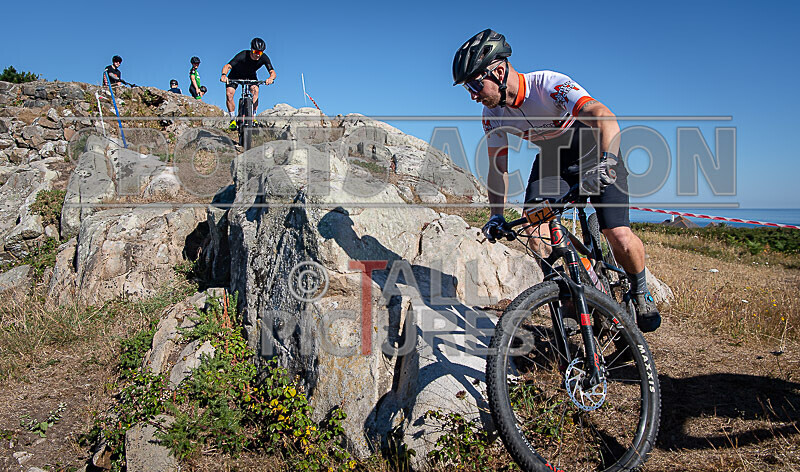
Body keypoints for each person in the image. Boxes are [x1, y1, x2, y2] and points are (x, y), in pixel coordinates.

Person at [452, 29, 661, 332]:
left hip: (593, 150)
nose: (472, 94)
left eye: (473, 83)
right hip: (553, 160)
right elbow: (498, 167)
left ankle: (640, 291)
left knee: (618, 235)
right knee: (533, 230)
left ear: (498, 71)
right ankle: (566, 297)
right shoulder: (491, 114)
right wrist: (496, 216)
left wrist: (609, 161)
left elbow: (602, 114)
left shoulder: (548, 85)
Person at [220, 37, 276, 130]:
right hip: (235, 74)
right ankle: (233, 119)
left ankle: (253, 117)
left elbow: (272, 72)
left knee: (255, 91)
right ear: (251, 50)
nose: (258, 55)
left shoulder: (264, 58)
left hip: (250, 75)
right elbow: (228, 66)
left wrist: (270, 78)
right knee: (229, 93)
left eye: (260, 53)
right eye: (256, 52)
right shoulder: (242, 55)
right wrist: (223, 75)